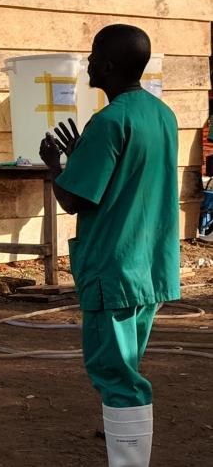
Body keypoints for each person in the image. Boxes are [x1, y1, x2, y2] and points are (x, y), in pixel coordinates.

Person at [39, 25, 180, 467]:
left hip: (114, 268)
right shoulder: (162, 114)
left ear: (108, 66)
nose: (87, 63)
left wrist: (53, 167)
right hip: (150, 264)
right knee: (127, 363)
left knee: (115, 372)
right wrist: (83, 154)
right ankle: (124, 435)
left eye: (93, 56)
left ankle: (129, 458)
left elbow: (76, 197)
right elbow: (128, 175)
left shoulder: (110, 119)